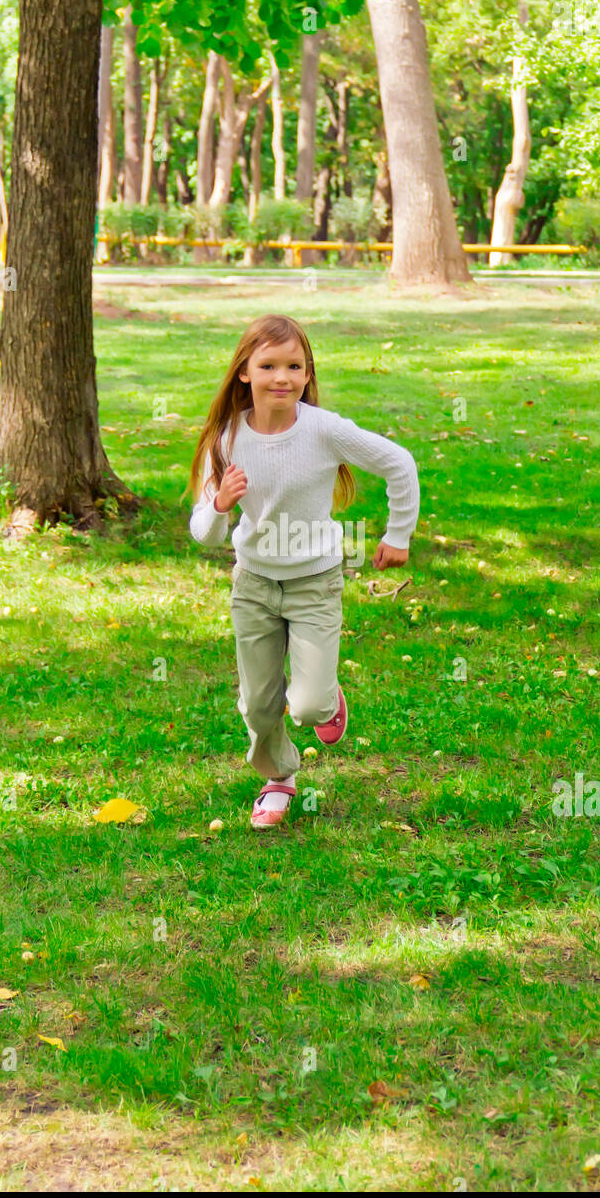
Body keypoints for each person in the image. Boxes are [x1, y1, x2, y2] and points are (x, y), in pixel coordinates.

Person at [188, 313, 419, 829]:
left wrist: (398, 534)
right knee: (257, 705)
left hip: (314, 582)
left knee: (308, 708)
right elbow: (204, 533)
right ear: (244, 372)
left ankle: (325, 695)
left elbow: (399, 463)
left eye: (295, 366)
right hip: (253, 586)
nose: (283, 378)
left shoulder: (323, 429)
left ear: (307, 373)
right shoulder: (225, 438)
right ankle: (278, 778)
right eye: (268, 365)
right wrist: (221, 503)